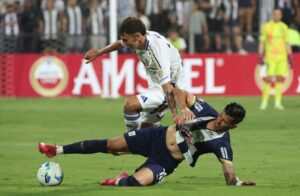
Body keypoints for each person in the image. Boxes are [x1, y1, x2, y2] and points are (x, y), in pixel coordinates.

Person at [38, 88, 256, 187]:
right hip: (156, 136)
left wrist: (236, 183)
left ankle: (120, 179)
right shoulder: (205, 109)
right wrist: (181, 110)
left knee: (138, 182)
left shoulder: (222, 144)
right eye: (220, 116)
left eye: (224, 122)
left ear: (233, 126)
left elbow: (228, 170)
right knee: (112, 145)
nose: (219, 121)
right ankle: (57, 150)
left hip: (167, 160)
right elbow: (179, 92)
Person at [84, 17, 192, 132]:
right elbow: (120, 44)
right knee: (146, 133)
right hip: (158, 85)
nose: (124, 43)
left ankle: (131, 140)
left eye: (126, 40)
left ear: (138, 36)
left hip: (169, 89)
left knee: (130, 105)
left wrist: (176, 114)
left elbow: (167, 87)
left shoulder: (155, 53)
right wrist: (99, 53)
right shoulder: (142, 38)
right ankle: (145, 141)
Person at [258, 8, 293, 110]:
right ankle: (264, 102)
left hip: (282, 58)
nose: (276, 16)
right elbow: (262, 41)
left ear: (281, 15)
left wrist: (290, 56)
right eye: (275, 14)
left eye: (278, 14)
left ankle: (278, 102)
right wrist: (260, 54)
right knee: (268, 79)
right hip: (270, 58)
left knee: (279, 80)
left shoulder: (284, 27)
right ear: (272, 15)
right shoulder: (267, 27)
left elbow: (287, 42)